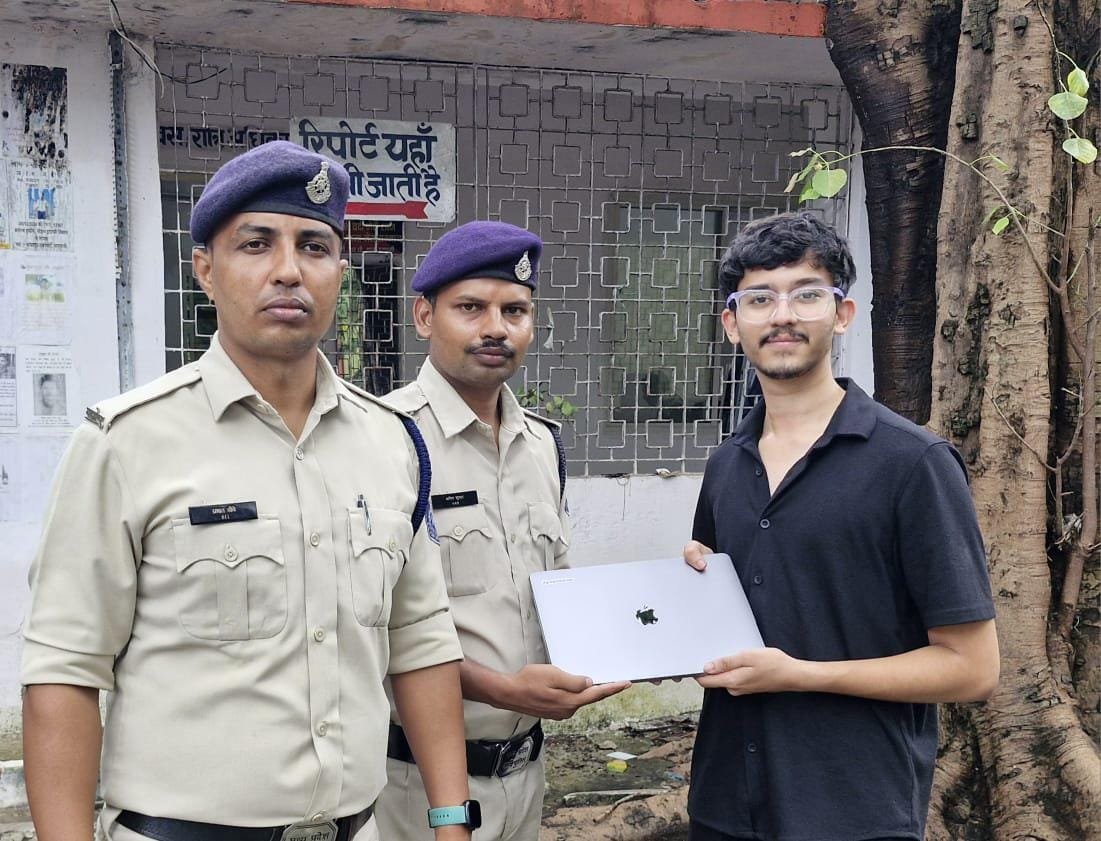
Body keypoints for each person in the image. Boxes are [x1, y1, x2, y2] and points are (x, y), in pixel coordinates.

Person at [22, 141, 479, 841]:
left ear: (340, 271)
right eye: (256, 244)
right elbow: (65, 670)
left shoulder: (391, 443)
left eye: (315, 247)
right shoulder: (126, 443)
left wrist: (450, 821)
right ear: (205, 267)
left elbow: (418, 641)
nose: (288, 270)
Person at [683, 211, 999, 841]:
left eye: (807, 294)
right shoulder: (726, 465)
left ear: (842, 314)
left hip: (854, 808)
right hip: (725, 803)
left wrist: (802, 674)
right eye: (759, 298)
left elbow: (971, 668)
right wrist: (682, 597)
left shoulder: (912, 463)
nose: (783, 315)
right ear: (731, 323)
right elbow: (726, 629)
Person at [376, 221, 629, 841]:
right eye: (471, 308)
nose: (496, 328)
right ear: (424, 316)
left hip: (527, 775)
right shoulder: (381, 440)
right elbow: (372, 622)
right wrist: (501, 690)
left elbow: (555, 593)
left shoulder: (542, 445)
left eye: (515, 309)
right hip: (417, 788)